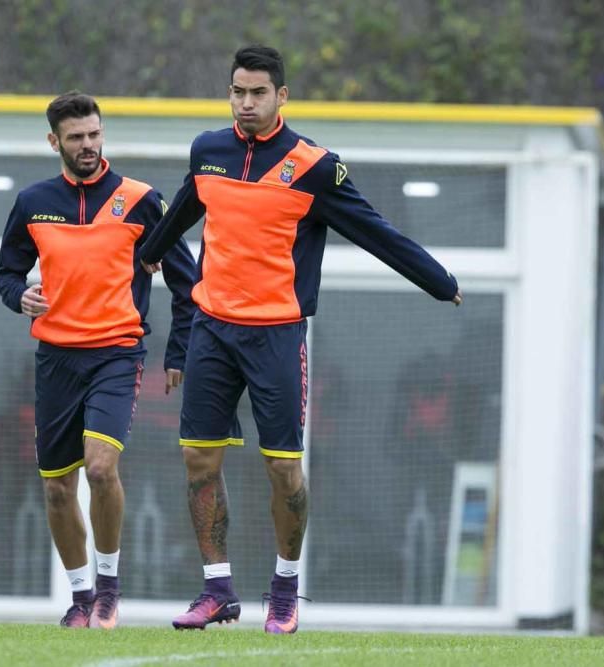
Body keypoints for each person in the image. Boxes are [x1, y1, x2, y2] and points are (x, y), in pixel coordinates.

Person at [138, 45, 462, 634]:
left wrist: (439, 281)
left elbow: (375, 230)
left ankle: (285, 591)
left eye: (258, 93)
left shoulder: (314, 165)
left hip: (277, 335)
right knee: (197, 461)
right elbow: (187, 205)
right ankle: (218, 590)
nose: (246, 103)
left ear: (281, 96)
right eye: (238, 91)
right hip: (212, 329)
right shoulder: (208, 150)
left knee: (283, 471)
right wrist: (151, 251)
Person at [0, 92, 196, 629]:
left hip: (117, 351)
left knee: (101, 469)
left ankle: (108, 587)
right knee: (58, 486)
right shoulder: (32, 202)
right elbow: (7, 273)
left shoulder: (141, 200)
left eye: (95, 134)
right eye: (77, 137)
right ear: (54, 141)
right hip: (56, 358)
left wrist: (178, 352)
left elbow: (186, 281)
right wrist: (21, 296)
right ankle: (80, 598)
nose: (88, 145)